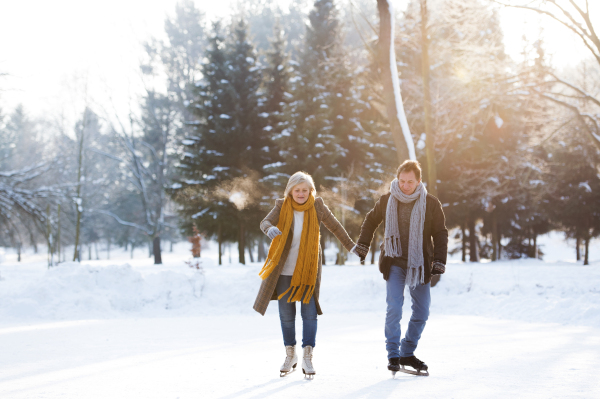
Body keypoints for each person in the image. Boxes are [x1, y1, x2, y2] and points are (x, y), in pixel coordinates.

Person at [254, 171, 355, 379]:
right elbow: (264, 222)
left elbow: (335, 226)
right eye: (297, 190)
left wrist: (351, 246)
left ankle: (308, 356)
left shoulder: (317, 206)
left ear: (311, 191)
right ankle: (290, 355)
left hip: (308, 271)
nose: (301, 193)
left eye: (305, 190)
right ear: (290, 191)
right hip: (284, 271)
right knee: (286, 316)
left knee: (309, 313)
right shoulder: (281, 206)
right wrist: (270, 229)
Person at [352, 160, 448, 376]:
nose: (405, 185)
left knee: (422, 312)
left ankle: (407, 351)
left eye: (410, 182)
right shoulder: (387, 200)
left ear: (419, 181)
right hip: (394, 262)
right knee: (394, 307)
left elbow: (440, 233)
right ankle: (393, 354)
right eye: (402, 181)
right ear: (397, 179)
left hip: (420, 264)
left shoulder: (431, 203)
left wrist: (439, 260)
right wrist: (363, 245)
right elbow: (370, 220)